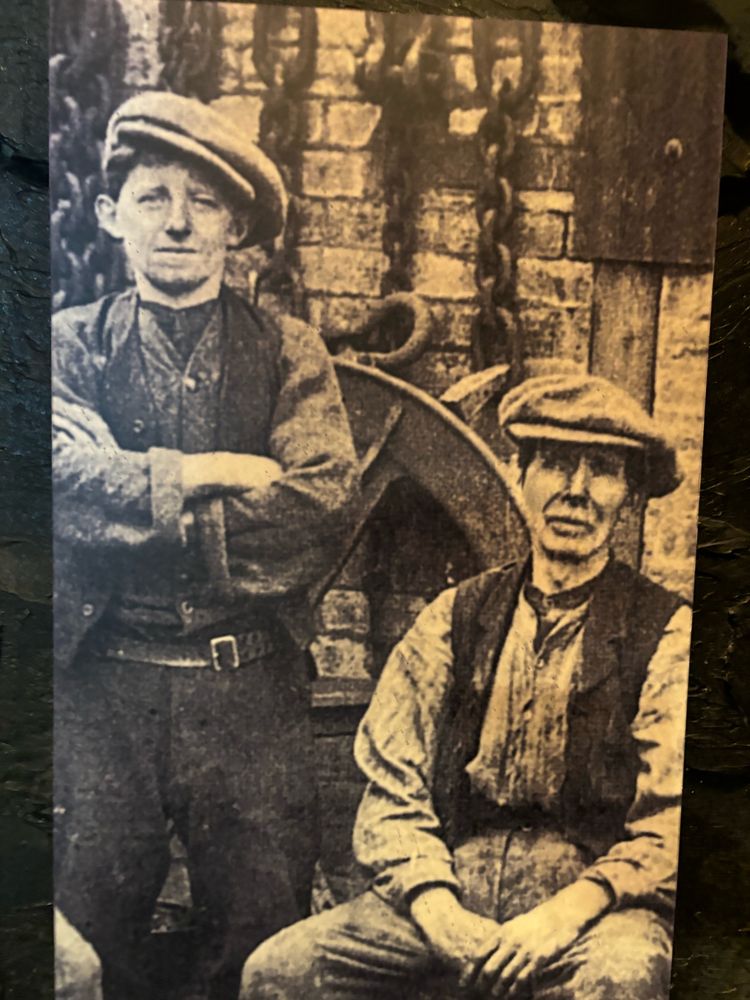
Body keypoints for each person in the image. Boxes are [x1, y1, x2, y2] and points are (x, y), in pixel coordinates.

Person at [241, 372, 692, 1000]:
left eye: (603, 471)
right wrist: (436, 908)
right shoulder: (453, 618)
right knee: (282, 970)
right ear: (522, 474)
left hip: (594, 908)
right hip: (453, 879)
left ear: (629, 494)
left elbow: (674, 822)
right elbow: (390, 785)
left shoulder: (669, 635)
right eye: (557, 464)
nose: (577, 492)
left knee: (621, 977)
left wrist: (562, 915)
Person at [53, 91, 359, 1000]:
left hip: (247, 695)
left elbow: (319, 503)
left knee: (258, 947)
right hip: (103, 693)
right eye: (153, 197)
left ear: (236, 228)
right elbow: (48, 485)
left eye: (204, 201)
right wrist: (207, 472)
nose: (178, 222)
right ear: (112, 216)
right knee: (75, 938)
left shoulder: (291, 352)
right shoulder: (68, 347)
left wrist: (132, 500)